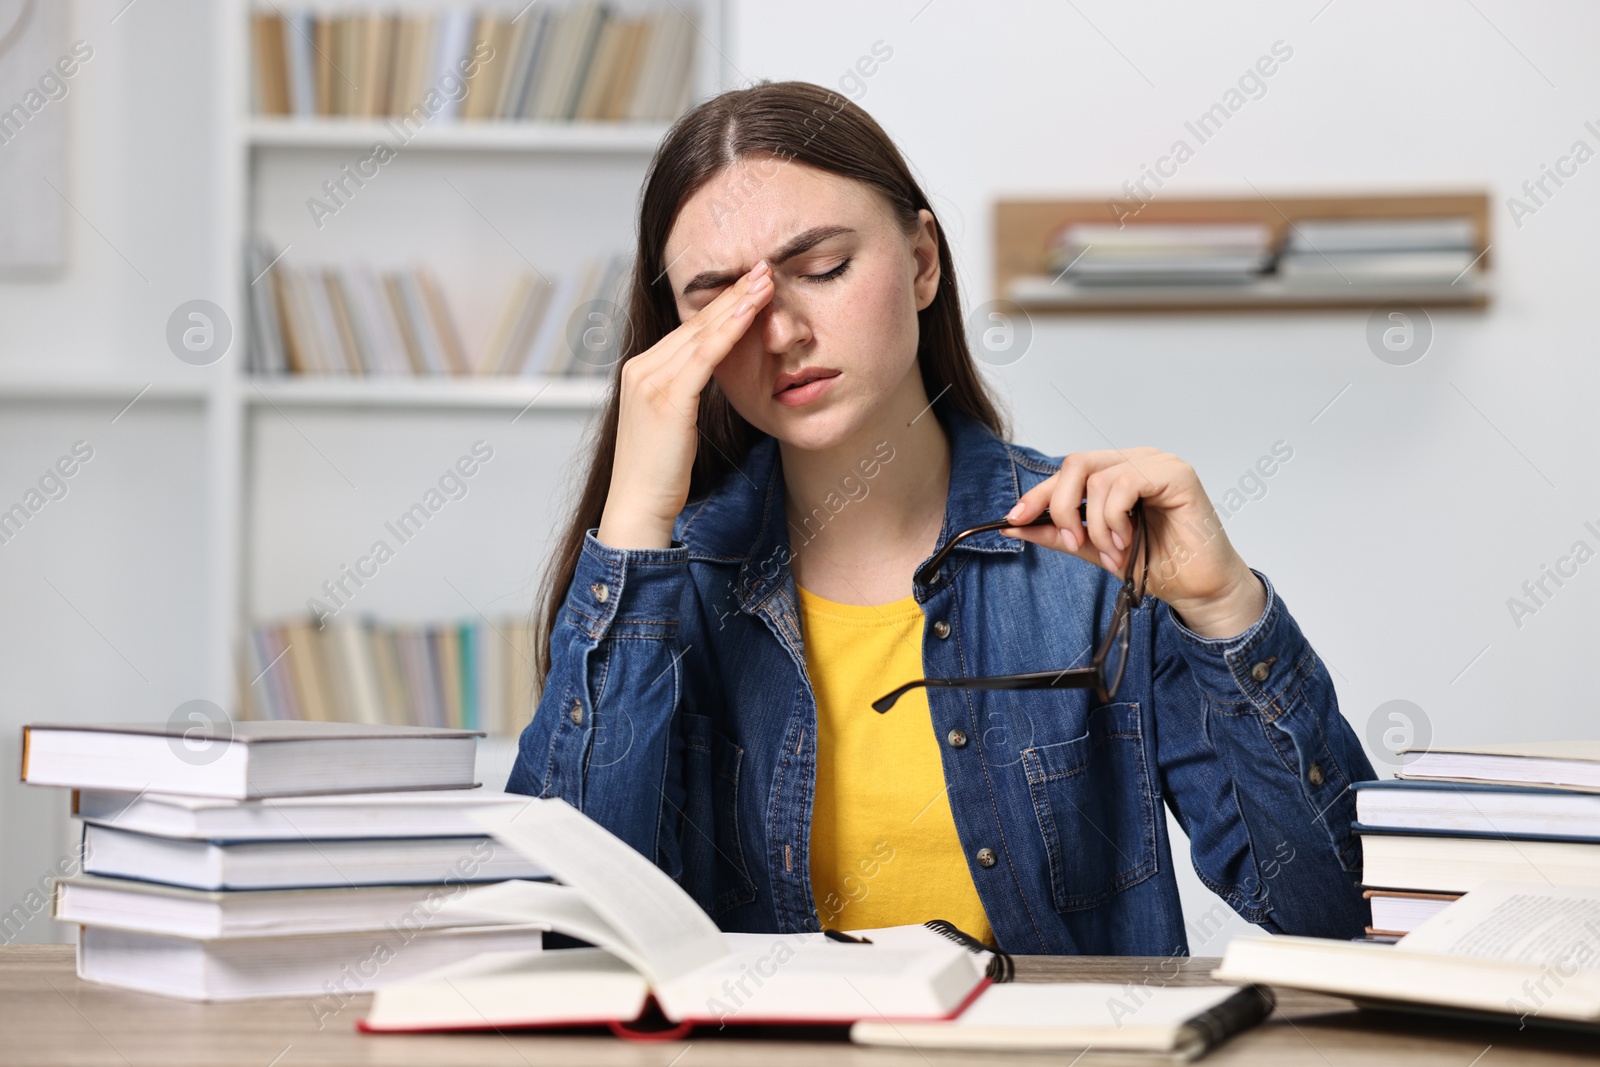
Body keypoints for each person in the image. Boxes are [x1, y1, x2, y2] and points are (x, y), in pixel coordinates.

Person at [506, 80, 1374, 954]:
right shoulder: (671, 583)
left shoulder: (1095, 560)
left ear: (923, 262)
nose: (780, 334)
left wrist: (1224, 608)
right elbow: (566, 943)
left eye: (822, 270)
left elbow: (1334, 913)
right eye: (720, 300)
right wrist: (632, 525)